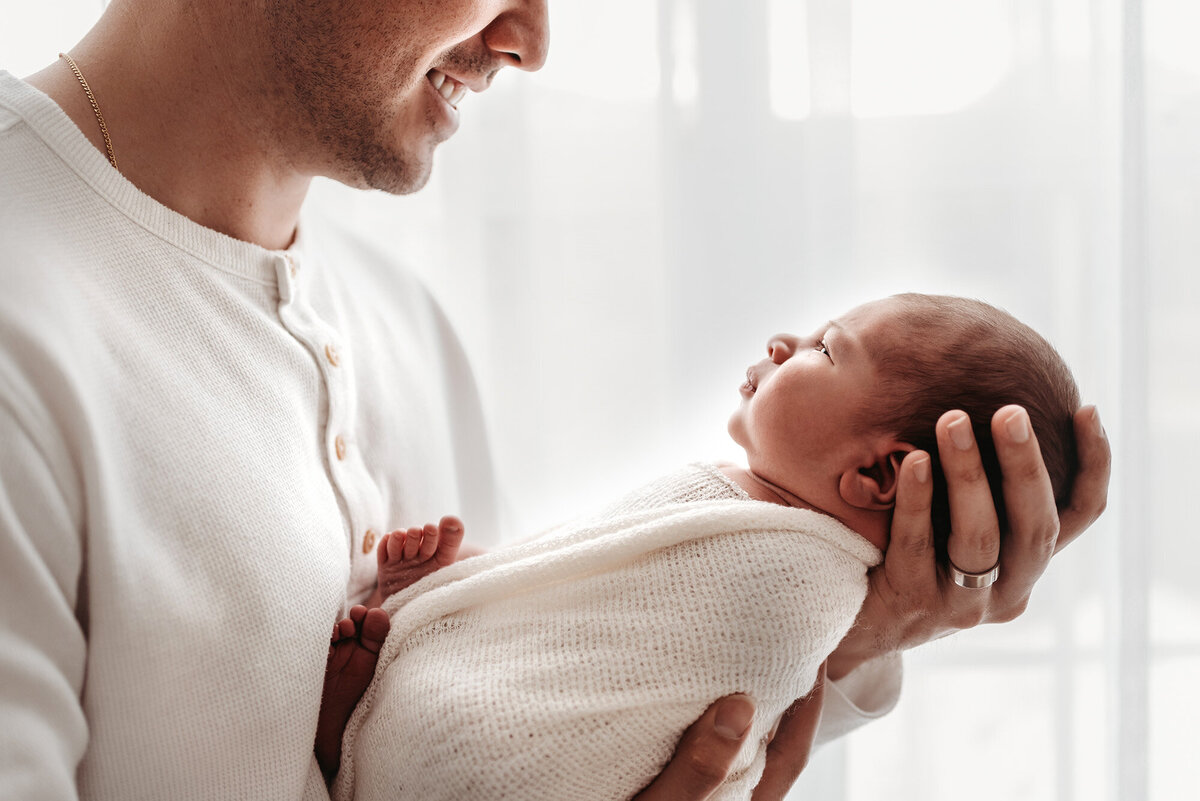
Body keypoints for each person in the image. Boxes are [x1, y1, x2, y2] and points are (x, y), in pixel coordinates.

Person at [0, 1, 1111, 799]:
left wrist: (858, 628)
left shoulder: (404, 321)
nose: (529, 39)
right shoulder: (22, 318)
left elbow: (550, 713)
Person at [314, 293, 1083, 798]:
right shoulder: (787, 560)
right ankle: (368, 733)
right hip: (487, 756)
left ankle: (365, 731)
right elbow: (573, 600)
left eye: (825, 349)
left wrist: (444, 593)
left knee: (453, 733)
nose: (784, 341)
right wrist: (474, 581)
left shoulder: (781, 563)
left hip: (492, 758)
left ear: (876, 472)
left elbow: (597, 597)